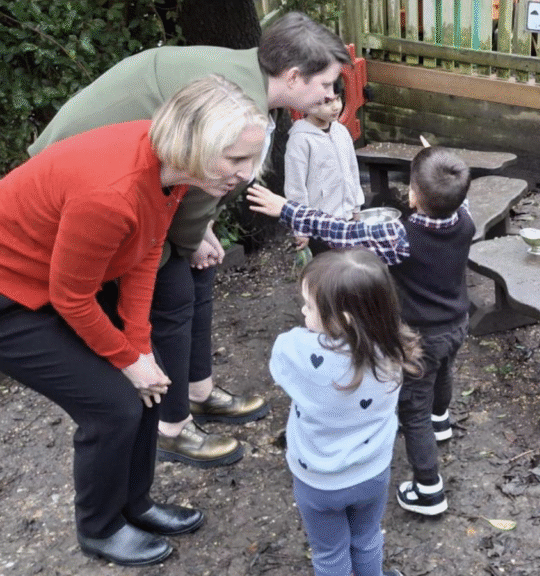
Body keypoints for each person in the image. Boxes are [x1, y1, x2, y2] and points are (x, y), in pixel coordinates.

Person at [28, 11, 351, 468]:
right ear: (294, 76)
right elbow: (202, 177)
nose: (329, 95)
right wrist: (193, 237)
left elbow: (195, 184)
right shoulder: (244, 104)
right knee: (175, 290)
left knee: (199, 269)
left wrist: (200, 233)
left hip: (147, 177)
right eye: (326, 84)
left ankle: (198, 391)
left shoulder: (247, 74)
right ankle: (171, 427)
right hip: (87, 184)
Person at [0, 75, 268, 566]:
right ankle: (100, 528)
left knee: (151, 384)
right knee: (113, 407)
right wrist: (126, 357)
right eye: (236, 160)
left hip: (59, 283)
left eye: (251, 160)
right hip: (12, 296)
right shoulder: (111, 191)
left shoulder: (168, 171)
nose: (246, 175)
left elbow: (144, 255)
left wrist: (139, 346)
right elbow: (73, 297)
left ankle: (135, 504)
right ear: (195, 143)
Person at [248, 146, 474, 517]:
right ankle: (442, 420)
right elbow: (454, 197)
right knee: (444, 371)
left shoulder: (399, 234)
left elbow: (341, 230)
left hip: (421, 335)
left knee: (411, 408)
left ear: (413, 195)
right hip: (456, 324)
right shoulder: (465, 218)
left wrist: (287, 209)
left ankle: (429, 487)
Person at [270, 249, 419, 576]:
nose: (303, 311)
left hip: (317, 480)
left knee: (328, 554)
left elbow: (281, 361)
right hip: (372, 472)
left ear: (343, 320)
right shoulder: (394, 351)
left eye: (310, 306)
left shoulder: (294, 349)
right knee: (367, 538)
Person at [285, 92, 365, 255]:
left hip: (347, 219)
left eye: (338, 99)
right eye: (327, 102)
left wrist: (356, 208)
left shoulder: (341, 132)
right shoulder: (300, 140)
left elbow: (352, 171)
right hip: (320, 225)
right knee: (329, 273)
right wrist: (301, 228)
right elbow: (296, 188)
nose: (336, 106)